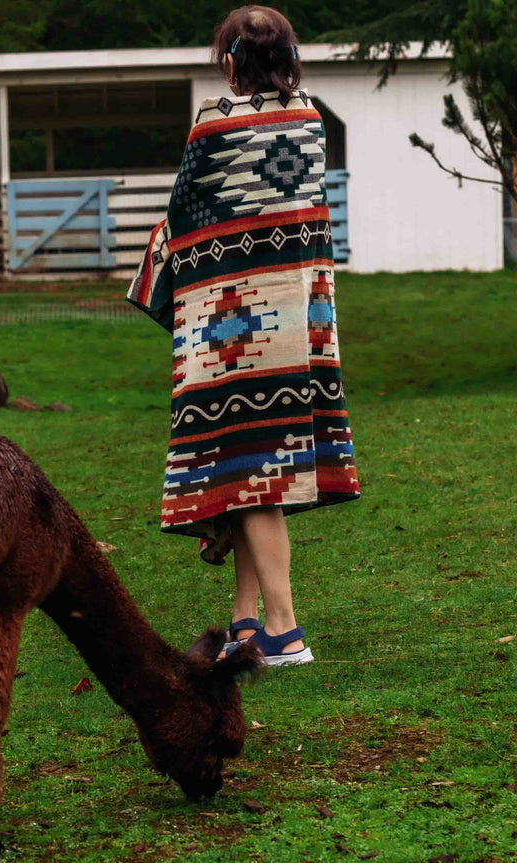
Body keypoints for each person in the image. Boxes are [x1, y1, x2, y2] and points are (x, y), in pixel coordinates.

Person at [126, 5, 360, 667]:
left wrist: (155, 276)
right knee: (253, 472)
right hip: (298, 326)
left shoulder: (212, 124)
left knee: (254, 471)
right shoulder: (311, 119)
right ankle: (245, 622)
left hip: (231, 326)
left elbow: (184, 214)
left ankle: (284, 631)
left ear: (230, 60)